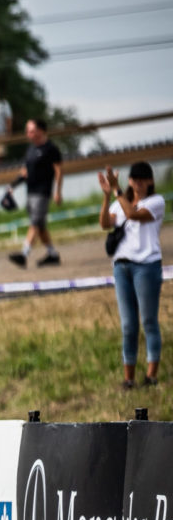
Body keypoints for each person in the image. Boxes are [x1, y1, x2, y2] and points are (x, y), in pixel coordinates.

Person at [100, 161, 164, 389]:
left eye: (142, 179)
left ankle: (151, 376)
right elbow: (105, 223)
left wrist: (116, 190)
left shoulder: (155, 202)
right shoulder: (119, 203)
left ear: (150, 181)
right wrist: (107, 196)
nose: (138, 183)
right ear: (129, 180)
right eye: (134, 178)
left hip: (146, 265)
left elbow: (133, 215)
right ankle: (128, 379)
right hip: (122, 266)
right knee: (128, 325)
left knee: (148, 321)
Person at [7, 119, 64, 268]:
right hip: (30, 192)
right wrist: (13, 186)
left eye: (31, 130)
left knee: (35, 223)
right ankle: (52, 255)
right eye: (27, 131)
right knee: (41, 226)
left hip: (42, 192)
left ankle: (24, 254)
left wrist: (58, 191)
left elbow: (58, 171)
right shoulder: (31, 149)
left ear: (40, 131)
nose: (28, 133)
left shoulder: (51, 148)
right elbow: (24, 171)